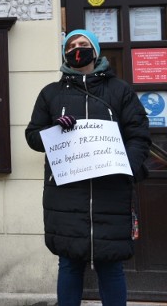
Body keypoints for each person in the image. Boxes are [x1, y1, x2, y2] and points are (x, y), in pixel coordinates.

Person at [25, 29, 151, 306]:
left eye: (83, 44)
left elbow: (139, 134)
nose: (77, 49)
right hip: (66, 195)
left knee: (111, 266)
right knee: (69, 264)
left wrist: (125, 165)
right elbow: (33, 137)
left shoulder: (120, 91)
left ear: (95, 50)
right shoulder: (50, 94)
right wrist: (53, 130)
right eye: (71, 45)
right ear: (64, 52)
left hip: (111, 192)